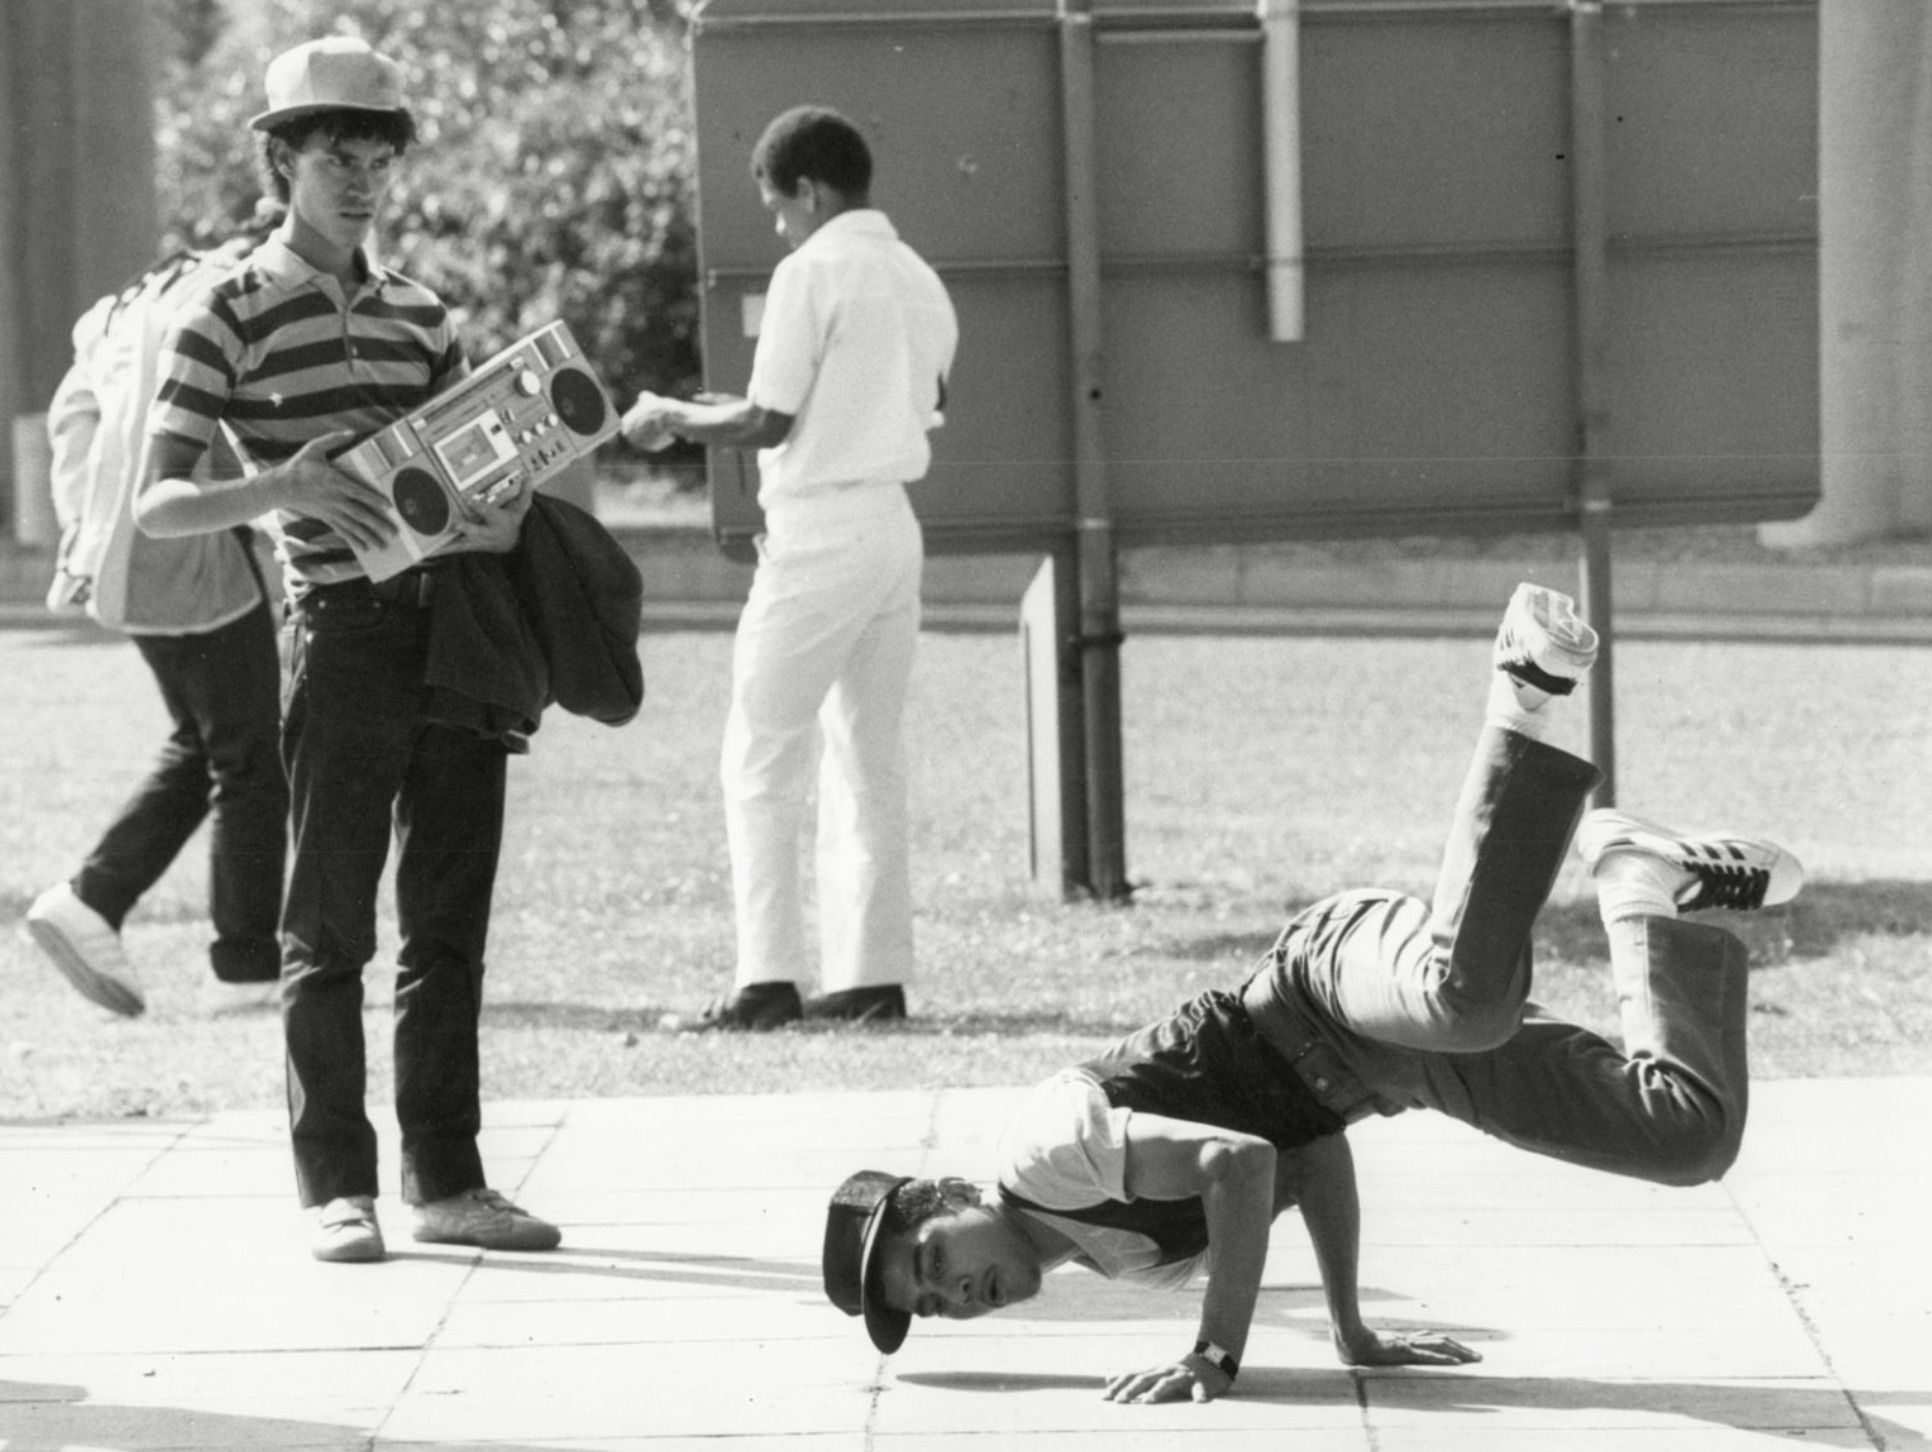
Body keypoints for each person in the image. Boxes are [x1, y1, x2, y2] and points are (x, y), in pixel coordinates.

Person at [821, 583, 1803, 1405]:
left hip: (1323, 984)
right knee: (1685, 1138)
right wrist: (1350, 1329)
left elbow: (1237, 1162)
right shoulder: (1127, 1261)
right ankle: (1645, 885)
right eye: (939, 1308)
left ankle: (1523, 693)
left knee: (1465, 1002)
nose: (957, 1294)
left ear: (946, 1198)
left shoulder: (1043, 1156)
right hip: (1390, 1070)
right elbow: (1306, 1157)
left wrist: (1215, 1352)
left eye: (932, 1263)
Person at [132, 36, 559, 1264]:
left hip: (456, 631)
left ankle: (451, 1182)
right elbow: (159, 505)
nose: (362, 182)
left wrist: (508, 495)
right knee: (326, 926)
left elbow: (492, 477)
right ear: (279, 161)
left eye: (377, 159)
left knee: (449, 921)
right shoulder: (225, 312)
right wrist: (284, 486)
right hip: (342, 635)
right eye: (336, 159)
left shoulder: (428, 313)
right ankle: (336, 1187)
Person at [621, 105, 959, 1032]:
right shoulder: (917, 276)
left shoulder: (811, 271)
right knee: (869, 754)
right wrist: (712, 410)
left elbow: (771, 420)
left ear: (807, 190)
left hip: (818, 530)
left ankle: (766, 978)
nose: (779, 224)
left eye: (778, 205)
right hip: (892, 521)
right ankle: (872, 975)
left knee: (763, 752)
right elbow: (918, 398)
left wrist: (672, 416)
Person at [26, 205, 290, 1018]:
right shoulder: (236, 293)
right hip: (192, 553)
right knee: (252, 758)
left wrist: (88, 532)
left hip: (123, 552)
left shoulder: (142, 290)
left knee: (209, 741)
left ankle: (93, 901)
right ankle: (243, 964)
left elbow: (74, 417)